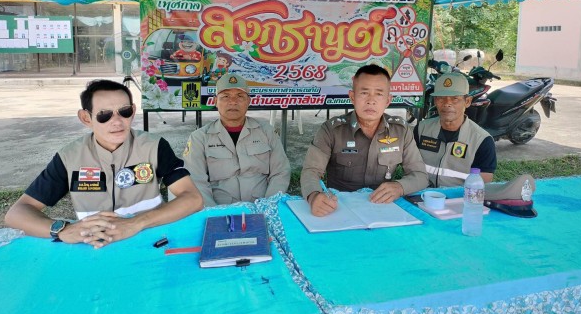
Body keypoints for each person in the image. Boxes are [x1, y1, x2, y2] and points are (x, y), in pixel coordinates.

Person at [5, 79, 203, 248]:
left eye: (124, 111)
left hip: (151, 240)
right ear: (86, 118)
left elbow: (193, 198)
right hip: (95, 247)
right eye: (104, 115)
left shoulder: (153, 146)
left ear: (133, 111)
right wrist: (62, 230)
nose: (117, 121)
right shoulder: (69, 157)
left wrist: (136, 223)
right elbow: (17, 213)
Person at [300, 64, 428, 217]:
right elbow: (311, 171)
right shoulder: (332, 130)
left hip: (383, 209)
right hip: (339, 209)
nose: (371, 101)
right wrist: (314, 196)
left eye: (379, 94)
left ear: (388, 100)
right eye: (364, 93)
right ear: (352, 97)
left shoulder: (401, 131)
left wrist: (400, 187)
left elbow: (419, 175)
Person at [183, 73, 291, 206]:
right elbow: (196, 181)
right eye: (225, 96)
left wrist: (268, 206)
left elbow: (280, 172)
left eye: (240, 96)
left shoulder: (266, 131)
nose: (233, 101)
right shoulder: (199, 138)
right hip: (220, 209)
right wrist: (214, 213)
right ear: (215, 101)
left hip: (262, 206)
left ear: (248, 101)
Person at [414, 72, 496, 187]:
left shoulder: (482, 140)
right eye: (441, 98)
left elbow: (482, 183)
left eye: (455, 99)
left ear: (467, 101)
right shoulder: (421, 129)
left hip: (459, 196)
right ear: (435, 101)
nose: (447, 104)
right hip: (422, 193)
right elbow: (410, 167)